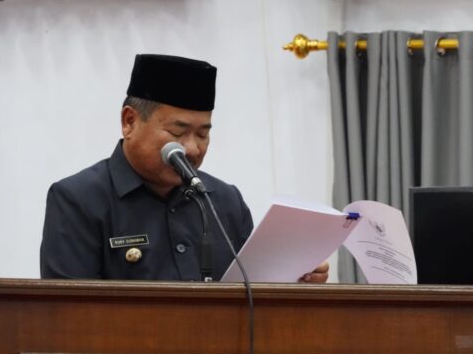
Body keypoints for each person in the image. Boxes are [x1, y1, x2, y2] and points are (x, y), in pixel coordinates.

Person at [40, 54, 329, 282]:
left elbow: (254, 297)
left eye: (202, 134)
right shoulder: (78, 200)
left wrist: (293, 279)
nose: (191, 149)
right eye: (177, 132)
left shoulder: (225, 201)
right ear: (130, 122)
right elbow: (70, 314)